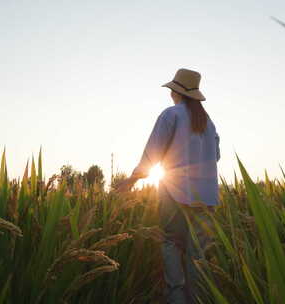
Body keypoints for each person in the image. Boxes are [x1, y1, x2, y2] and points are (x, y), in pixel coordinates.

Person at [115, 68, 220, 304]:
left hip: (175, 192)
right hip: (207, 198)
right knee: (198, 256)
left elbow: (153, 152)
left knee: (171, 242)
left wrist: (133, 179)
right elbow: (216, 156)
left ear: (176, 92)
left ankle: (176, 299)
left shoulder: (171, 115)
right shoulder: (208, 123)